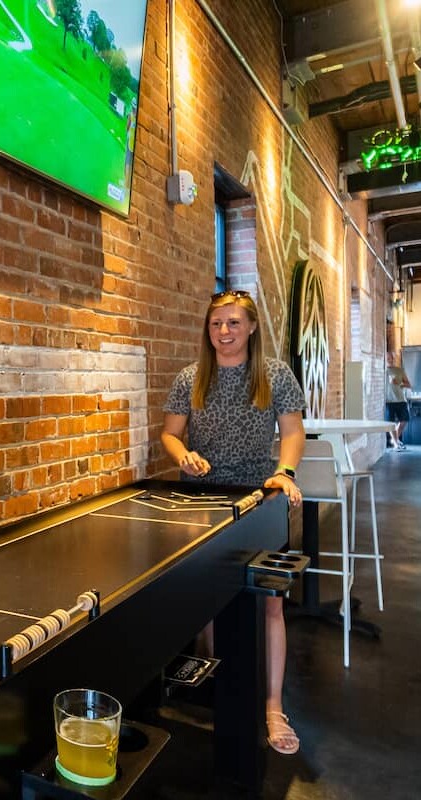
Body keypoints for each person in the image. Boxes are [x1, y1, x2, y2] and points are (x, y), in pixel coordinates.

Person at [160, 289, 306, 756]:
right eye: (216, 323)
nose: (224, 331)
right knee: (207, 601)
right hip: (203, 501)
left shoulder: (274, 374)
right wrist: (183, 455)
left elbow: (293, 432)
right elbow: (170, 433)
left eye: (234, 323)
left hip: (261, 499)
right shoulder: (190, 377)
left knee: (271, 604)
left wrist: (284, 472)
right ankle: (213, 679)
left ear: (252, 327)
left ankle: (272, 705)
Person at [386, 350, 412, 451]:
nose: (390, 360)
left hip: (401, 400)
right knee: (391, 424)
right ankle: (396, 444)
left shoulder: (399, 370)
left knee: (404, 421)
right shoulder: (382, 371)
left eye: (391, 358)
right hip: (389, 401)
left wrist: (399, 384)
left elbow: (408, 384)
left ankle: (395, 440)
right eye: (388, 358)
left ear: (394, 359)